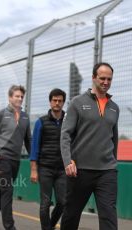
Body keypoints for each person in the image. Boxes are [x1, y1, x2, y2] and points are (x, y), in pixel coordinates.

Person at [60, 62, 119, 230]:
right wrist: (67, 161)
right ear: (93, 78)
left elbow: (113, 139)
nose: (106, 82)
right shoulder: (77, 103)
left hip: (107, 171)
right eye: (102, 78)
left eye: (109, 79)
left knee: (109, 217)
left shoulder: (115, 108)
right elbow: (65, 134)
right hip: (80, 170)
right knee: (71, 215)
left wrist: (113, 163)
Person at [0, 85, 32, 230]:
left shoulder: (25, 117)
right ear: (10, 97)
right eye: (17, 96)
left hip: (15, 160)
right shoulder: (0, 115)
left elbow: (28, 140)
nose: (19, 99)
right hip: (1, 158)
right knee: (7, 191)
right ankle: (9, 226)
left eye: (21, 97)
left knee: (2, 191)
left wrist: (34, 160)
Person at [29, 88, 67, 230]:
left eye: (60, 101)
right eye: (54, 100)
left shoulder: (68, 121)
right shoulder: (41, 122)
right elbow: (34, 147)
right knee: (45, 203)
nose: (57, 103)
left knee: (63, 202)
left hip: (62, 169)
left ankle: (49, 226)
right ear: (50, 102)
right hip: (45, 168)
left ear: (63, 102)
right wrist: (34, 170)